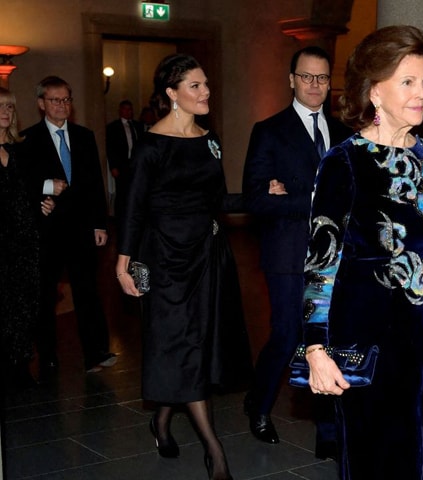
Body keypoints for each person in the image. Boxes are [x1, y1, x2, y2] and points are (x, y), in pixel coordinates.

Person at [302, 25, 423, 479]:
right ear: (374, 91)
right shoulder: (345, 162)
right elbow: (321, 264)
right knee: (376, 460)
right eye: (408, 82)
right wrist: (316, 349)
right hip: (365, 337)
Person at [116, 53, 251, 480]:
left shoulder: (210, 140)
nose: (205, 91)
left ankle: (161, 419)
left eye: (206, 83)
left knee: (194, 348)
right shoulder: (151, 145)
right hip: (165, 262)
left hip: (207, 258)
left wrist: (263, 195)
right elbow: (131, 209)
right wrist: (123, 264)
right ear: (172, 94)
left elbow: (217, 200)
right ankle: (215, 452)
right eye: (195, 85)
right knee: (181, 347)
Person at [241, 45, 352, 454]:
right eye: (307, 77)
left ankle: (328, 433)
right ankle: (259, 403)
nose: (315, 85)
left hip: (336, 258)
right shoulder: (269, 131)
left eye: (322, 78)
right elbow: (254, 198)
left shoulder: (343, 134)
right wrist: (309, 201)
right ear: (291, 80)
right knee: (288, 335)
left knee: (328, 339)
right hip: (287, 254)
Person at [21, 76, 117, 377]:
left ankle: (96, 353)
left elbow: (95, 185)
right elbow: (22, 186)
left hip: (81, 230)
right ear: (41, 104)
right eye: (55, 100)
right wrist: (42, 196)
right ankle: (48, 357)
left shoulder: (84, 136)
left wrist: (100, 224)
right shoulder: (27, 140)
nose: (62, 105)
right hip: (47, 231)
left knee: (88, 291)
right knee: (45, 296)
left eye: (66, 99)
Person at [0, 87, 55, 387]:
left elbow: (31, 191)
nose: (6, 113)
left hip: (25, 238)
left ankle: (20, 364)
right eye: (0, 107)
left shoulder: (21, 150)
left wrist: (44, 203)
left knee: (25, 302)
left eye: (9, 107)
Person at [106, 99, 144, 217]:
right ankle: (120, 219)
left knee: (137, 192)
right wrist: (113, 166)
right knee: (122, 194)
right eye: (126, 109)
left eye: (130, 109)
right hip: (122, 165)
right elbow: (110, 148)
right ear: (120, 110)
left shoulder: (138, 126)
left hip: (136, 165)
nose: (128, 112)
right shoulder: (113, 127)